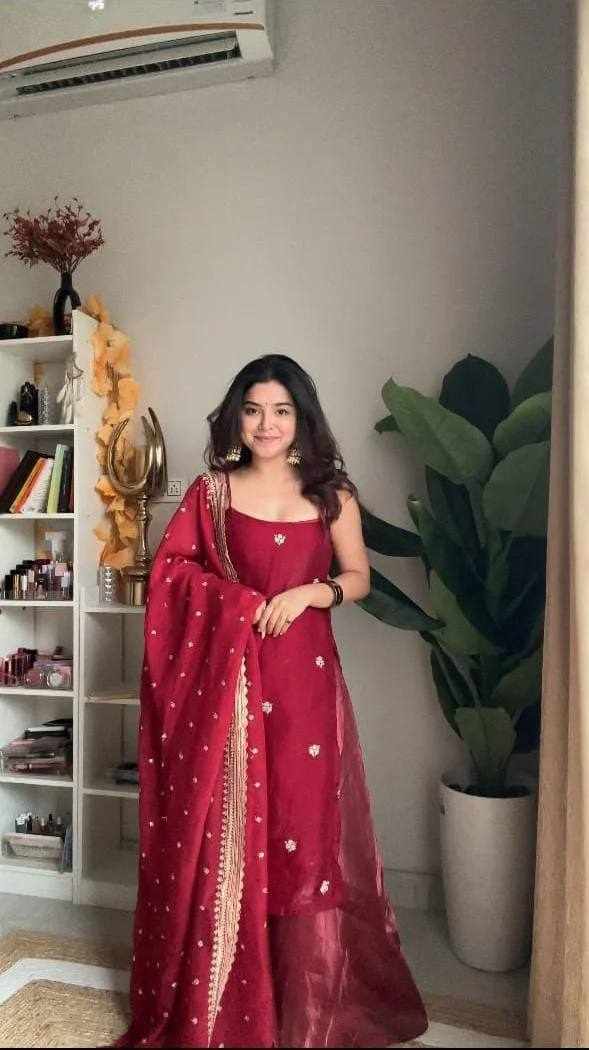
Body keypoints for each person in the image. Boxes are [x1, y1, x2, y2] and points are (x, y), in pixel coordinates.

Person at [113, 355, 428, 1049]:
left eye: (281, 411)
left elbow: (358, 577)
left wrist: (313, 591)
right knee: (233, 829)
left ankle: (302, 1001)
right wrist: (237, 602)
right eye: (253, 410)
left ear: (300, 418)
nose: (266, 424)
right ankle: (232, 994)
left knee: (298, 828)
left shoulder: (330, 494)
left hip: (304, 684)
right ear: (236, 418)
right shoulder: (212, 493)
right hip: (229, 688)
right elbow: (171, 573)